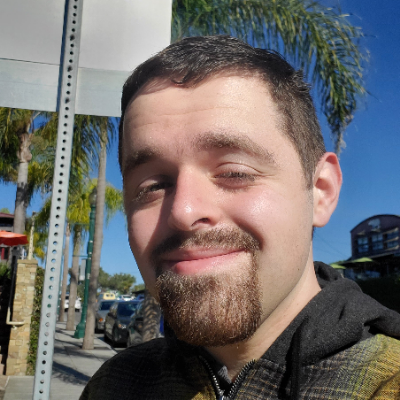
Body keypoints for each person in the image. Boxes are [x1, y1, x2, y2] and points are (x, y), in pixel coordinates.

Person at [80, 36, 400, 400]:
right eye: (153, 185)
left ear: (321, 192)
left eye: (235, 172)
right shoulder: (115, 384)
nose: (183, 211)